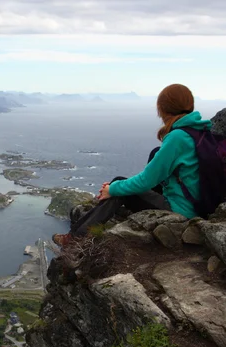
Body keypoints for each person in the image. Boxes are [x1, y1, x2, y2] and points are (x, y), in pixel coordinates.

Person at [52, 83, 210, 247]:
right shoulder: (199, 131)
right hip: (199, 204)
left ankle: (74, 239)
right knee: (155, 153)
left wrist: (112, 189)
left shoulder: (177, 138)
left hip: (182, 209)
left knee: (119, 186)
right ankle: (76, 233)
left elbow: (146, 180)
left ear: (163, 109)